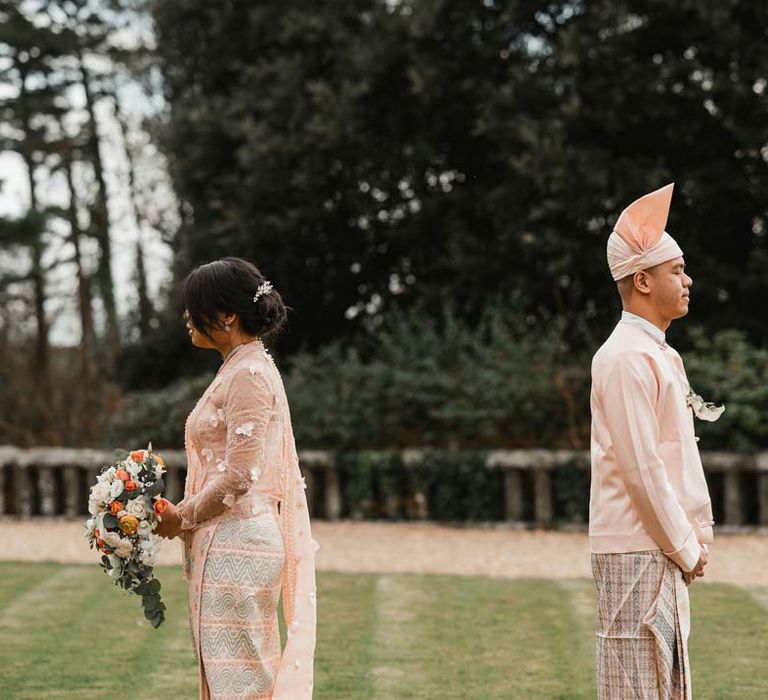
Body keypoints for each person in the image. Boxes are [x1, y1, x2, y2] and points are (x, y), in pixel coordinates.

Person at [156, 257, 318, 699]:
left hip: (239, 544)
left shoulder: (248, 374)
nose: (186, 317)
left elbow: (240, 476)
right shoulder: (238, 367)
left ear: (227, 316)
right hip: (229, 541)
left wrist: (182, 516)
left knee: (240, 682)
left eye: (195, 307)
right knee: (233, 675)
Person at [589, 183, 721, 699]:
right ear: (642, 280)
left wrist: (689, 540)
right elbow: (642, 469)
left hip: (655, 548)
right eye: (677, 270)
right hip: (636, 548)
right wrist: (686, 547)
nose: (688, 281)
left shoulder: (657, 353)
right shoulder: (624, 357)